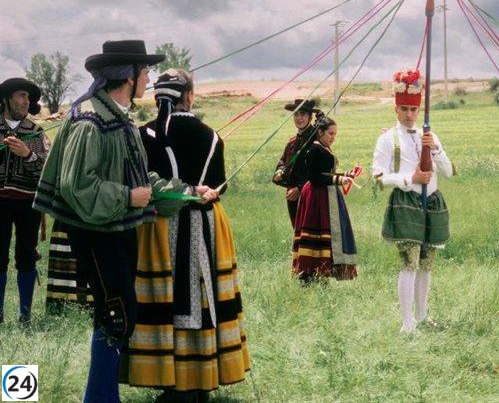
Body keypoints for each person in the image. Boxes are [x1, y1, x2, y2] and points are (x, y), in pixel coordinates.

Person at [32, 40, 192, 403]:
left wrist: (184, 192)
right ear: (128, 75)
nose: (148, 78)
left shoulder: (117, 116)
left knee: (117, 315)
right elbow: (78, 186)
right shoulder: (91, 119)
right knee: (116, 315)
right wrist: (126, 197)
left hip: (116, 227)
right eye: (145, 71)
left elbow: (137, 179)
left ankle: (101, 397)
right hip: (97, 231)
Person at [122, 69, 250, 403]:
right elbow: (220, 186)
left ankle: (171, 379)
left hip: (160, 227)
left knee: (167, 299)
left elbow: (143, 184)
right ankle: (202, 376)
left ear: (158, 96)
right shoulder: (213, 136)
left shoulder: (143, 134)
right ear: (189, 95)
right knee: (202, 297)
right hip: (207, 224)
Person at [372, 68, 453, 334]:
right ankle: (407, 324)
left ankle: (422, 316)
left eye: (413, 110)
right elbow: (379, 177)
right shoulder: (387, 139)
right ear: (396, 109)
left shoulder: (429, 136)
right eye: (404, 109)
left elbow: (449, 171)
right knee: (410, 263)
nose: (409, 115)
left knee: (427, 265)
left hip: (432, 202)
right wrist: (410, 178)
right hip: (406, 202)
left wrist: (436, 149)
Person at [0, 78, 49, 323]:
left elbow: (47, 167)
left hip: (28, 203)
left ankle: (25, 316)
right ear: (7, 98)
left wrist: (27, 154)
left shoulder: (36, 131)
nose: (26, 101)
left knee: (27, 255)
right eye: (21, 95)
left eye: (28, 98)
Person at [291, 115, 358, 282]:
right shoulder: (315, 149)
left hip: (326, 194)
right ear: (320, 132)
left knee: (329, 233)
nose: (333, 137)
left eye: (335, 134)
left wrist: (345, 175)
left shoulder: (323, 147)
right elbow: (314, 176)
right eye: (330, 133)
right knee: (317, 232)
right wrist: (338, 179)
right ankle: (311, 271)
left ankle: (324, 270)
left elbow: (325, 173)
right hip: (316, 196)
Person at [273, 99, 320, 228]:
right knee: (297, 230)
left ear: (310, 117)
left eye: (303, 114)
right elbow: (283, 161)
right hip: (292, 195)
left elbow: (320, 170)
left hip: (311, 194)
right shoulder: (292, 141)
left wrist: (300, 188)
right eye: (296, 114)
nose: (299, 118)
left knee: (310, 232)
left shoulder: (317, 140)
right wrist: (279, 171)